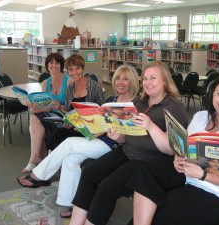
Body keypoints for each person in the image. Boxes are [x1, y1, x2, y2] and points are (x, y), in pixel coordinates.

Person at [126, 71, 219, 225]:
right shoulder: (201, 117)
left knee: (158, 216)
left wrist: (202, 175)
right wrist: (178, 158)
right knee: (145, 172)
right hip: (191, 179)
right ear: (212, 94)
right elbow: (185, 148)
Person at [68, 61, 189, 225]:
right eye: (145, 78)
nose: (147, 82)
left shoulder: (174, 107)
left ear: (165, 81)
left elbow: (170, 150)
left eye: (153, 78)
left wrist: (151, 126)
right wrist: (117, 136)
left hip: (149, 160)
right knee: (89, 174)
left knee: (106, 188)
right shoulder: (139, 102)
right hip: (126, 151)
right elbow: (126, 136)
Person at [17, 65, 140, 218]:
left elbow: (136, 133)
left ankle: (39, 175)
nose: (120, 82)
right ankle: (71, 203)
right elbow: (98, 124)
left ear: (133, 81)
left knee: (69, 143)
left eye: (125, 79)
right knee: (71, 158)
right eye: (118, 79)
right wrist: (82, 124)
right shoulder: (111, 100)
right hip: (99, 139)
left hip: (116, 147)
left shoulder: (138, 104)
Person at [22, 54, 104, 173]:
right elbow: (69, 109)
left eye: (77, 68)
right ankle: (45, 169)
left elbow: (102, 110)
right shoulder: (70, 88)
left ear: (83, 69)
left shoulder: (94, 86)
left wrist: (82, 123)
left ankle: (43, 172)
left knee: (59, 134)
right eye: (71, 69)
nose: (74, 72)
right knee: (58, 133)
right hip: (75, 125)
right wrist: (67, 117)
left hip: (90, 128)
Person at [22, 53, 71, 173]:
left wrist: (61, 106)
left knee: (41, 122)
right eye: (51, 62)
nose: (54, 65)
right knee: (34, 116)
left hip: (63, 115)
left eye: (57, 63)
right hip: (49, 114)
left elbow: (72, 107)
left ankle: (41, 159)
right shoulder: (45, 83)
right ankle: (34, 158)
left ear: (61, 65)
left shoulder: (69, 82)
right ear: (47, 65)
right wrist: (37, 108)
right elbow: (46, 106)